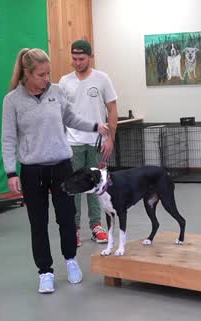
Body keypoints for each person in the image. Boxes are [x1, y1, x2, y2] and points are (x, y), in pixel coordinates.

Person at [1, 48, 109, 294]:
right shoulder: (12, 101)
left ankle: (71, 261)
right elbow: (8, 139)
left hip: (62, 167)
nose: (46, 79)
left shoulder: (57, 92)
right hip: (32, 171)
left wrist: (95, 126)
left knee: (67, 218)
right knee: (38, 222)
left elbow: (71, 118)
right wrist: (11, 172)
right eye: (41, 74)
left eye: (48, 73)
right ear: (27, 74)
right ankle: (45, 272)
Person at [58, 39, 118, 246]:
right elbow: (61, 113)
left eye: (81, 59)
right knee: (73, 187)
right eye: (74, 59)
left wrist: (110, 138)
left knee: (97, 186)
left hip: (97, 142)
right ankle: (74, 228)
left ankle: (96, 226)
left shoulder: (102, 79)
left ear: (90, 57)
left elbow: (112, 109)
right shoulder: (64, 82)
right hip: (72, 142)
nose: (77, 62)